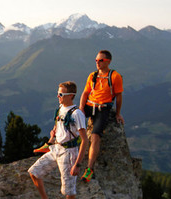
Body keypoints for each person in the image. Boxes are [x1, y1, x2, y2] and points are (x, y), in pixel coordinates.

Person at [28, 81, 89, 199]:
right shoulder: (61, 108)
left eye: (61, 94)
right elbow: (57, 126)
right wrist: (51, 139)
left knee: (69, 191)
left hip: (69, 153)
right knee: (34, 172)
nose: (58, 96)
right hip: (56, 149)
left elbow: (84, 140)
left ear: (71, 95)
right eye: (58, 93)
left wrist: (77, 164)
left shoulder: (77, 114)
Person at [79, 50, 124, 183]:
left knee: (95, 137)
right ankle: (52, 141)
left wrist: (117, 114)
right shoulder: (92, 75)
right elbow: (85, 92)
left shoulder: (115, 76)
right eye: (96, 60)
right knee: (68, 117)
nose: (97, 63)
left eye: (101, 60)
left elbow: (119, 97)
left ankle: (89, 170)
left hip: (103, 109)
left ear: (108, 61)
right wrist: (81, 108)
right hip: (89, 105)